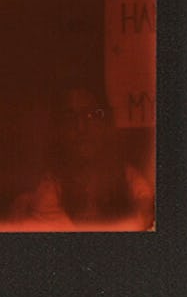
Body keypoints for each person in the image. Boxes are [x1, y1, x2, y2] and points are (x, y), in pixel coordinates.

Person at [10, 86, 154, 230]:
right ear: (59, 129)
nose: (81, 127)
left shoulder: (126, 176)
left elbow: (144, 208)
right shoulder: (49, 191)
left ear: (104, 123)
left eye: (91, 115)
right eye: (70, 118)